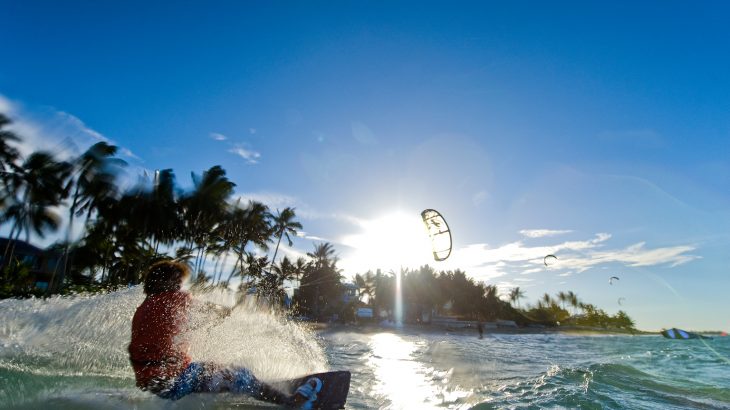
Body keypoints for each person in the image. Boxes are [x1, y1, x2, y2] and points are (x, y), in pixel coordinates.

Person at [128, 260, 321, 407]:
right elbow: (205, 310)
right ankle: (291, 402)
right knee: (240, 374)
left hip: (155, 384)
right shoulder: (173, 299)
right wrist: (222, 312)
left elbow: (168, 333)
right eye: (177, 281)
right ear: (165, 282)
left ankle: (247, 390)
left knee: (211, 370)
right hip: (174, 382)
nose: (180, 286)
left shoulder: (143, 309)